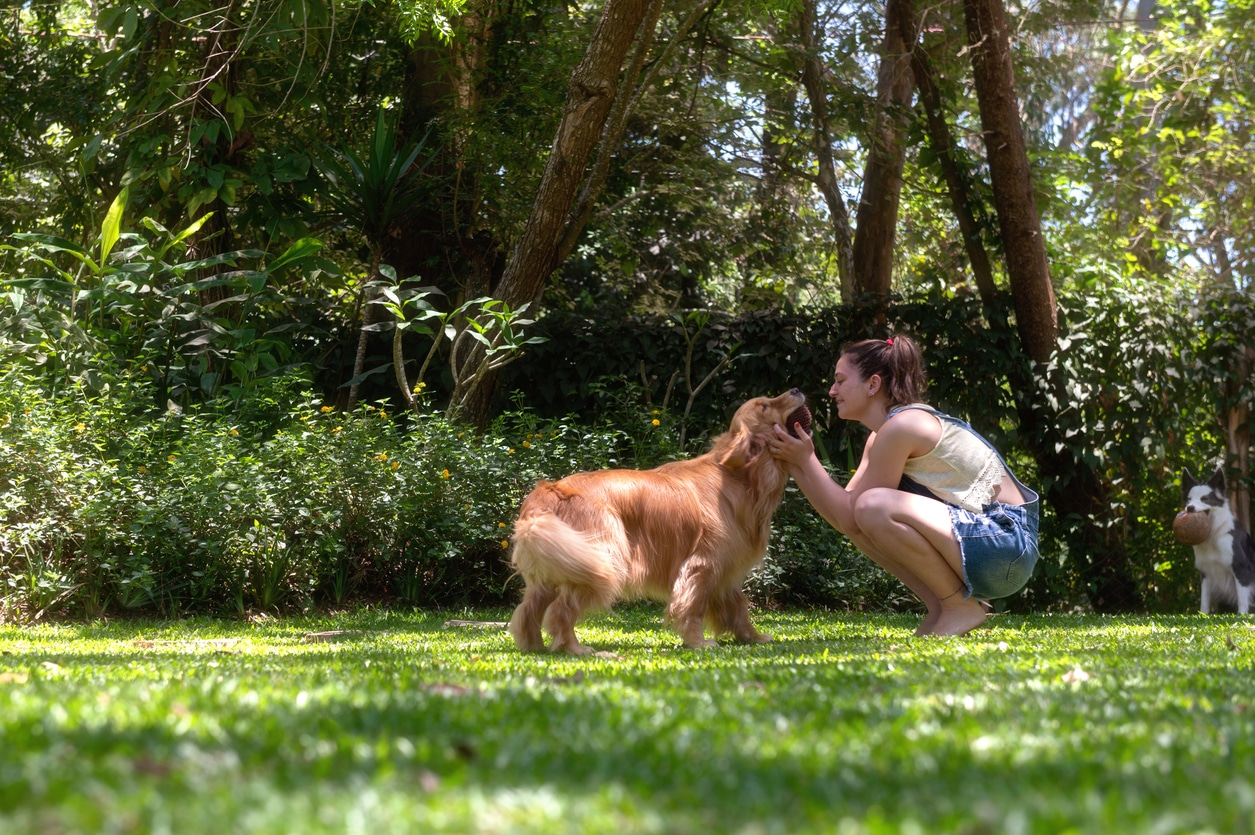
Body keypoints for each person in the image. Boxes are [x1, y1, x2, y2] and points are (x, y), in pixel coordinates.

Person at [769, 334, 1039, 636]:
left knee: (872, 506)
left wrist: (807, 461)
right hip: (986, 547)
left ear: (873, 384)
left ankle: (958, 607)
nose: (832, 391)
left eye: (840, 381)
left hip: (1006, 545)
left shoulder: (903, 426)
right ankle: (942, 609)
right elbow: (847, 520)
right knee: (865, 515)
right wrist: (796, 462)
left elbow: (858, 509)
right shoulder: (883, 434)